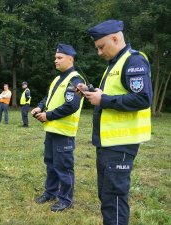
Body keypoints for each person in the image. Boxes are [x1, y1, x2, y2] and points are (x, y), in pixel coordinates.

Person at [76, 20, 153, 225]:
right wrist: (91, 93)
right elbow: (109, 95)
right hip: (107, 144)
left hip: (121, 145)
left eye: (101, 47)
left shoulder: (133, 61)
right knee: (107, 196)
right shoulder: (114, 64)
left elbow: (143, 99)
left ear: (115, 38)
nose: (99, 52)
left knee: (114, 200)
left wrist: (104, 100)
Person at [31, 43, 85, 212]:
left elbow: (71, 106)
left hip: (64, 132)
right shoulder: (58, 78)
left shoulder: (75, 80)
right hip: (52, 130)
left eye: (59, 58)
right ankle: (50, 192)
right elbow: (49, 97)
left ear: (71, 59)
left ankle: (66, 199)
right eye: (55, 57)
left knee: (64, 167)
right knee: (51, 164)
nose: (56, 61)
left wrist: (48, 115)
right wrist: (40, 107)